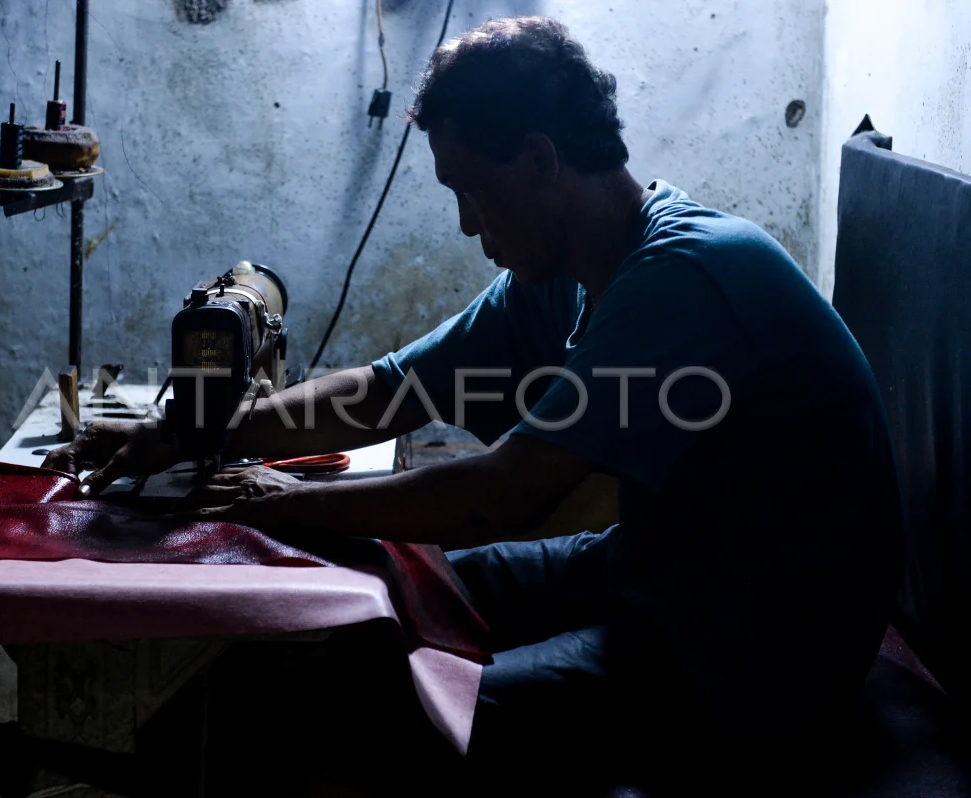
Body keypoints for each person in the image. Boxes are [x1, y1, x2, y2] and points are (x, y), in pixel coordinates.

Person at [45, 16, 903, 792]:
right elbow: (389, 391)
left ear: (540, 160)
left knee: (392, 703)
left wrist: (289, 499)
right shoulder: (569, 272)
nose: (465, 224)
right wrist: (187, 432)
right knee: (374, 596)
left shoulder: (684, 275)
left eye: (470, 190)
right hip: (658, 570)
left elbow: (501, 495)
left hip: (760, 650)